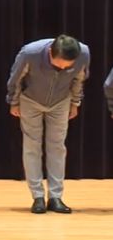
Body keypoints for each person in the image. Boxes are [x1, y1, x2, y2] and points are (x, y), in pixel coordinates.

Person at [7, 34, 89, 214]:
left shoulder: (83, 53)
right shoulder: (30, 53)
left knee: (57, 147)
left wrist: (75, 103)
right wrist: (14, 102)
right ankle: (37, 196)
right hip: (31, 101)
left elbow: (79, 80)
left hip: (61, 102)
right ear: (50, 52)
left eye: (66, 67)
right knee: (32, 147)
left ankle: (55, 197)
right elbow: (16, 78)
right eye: (58, 65)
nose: (62, 69)